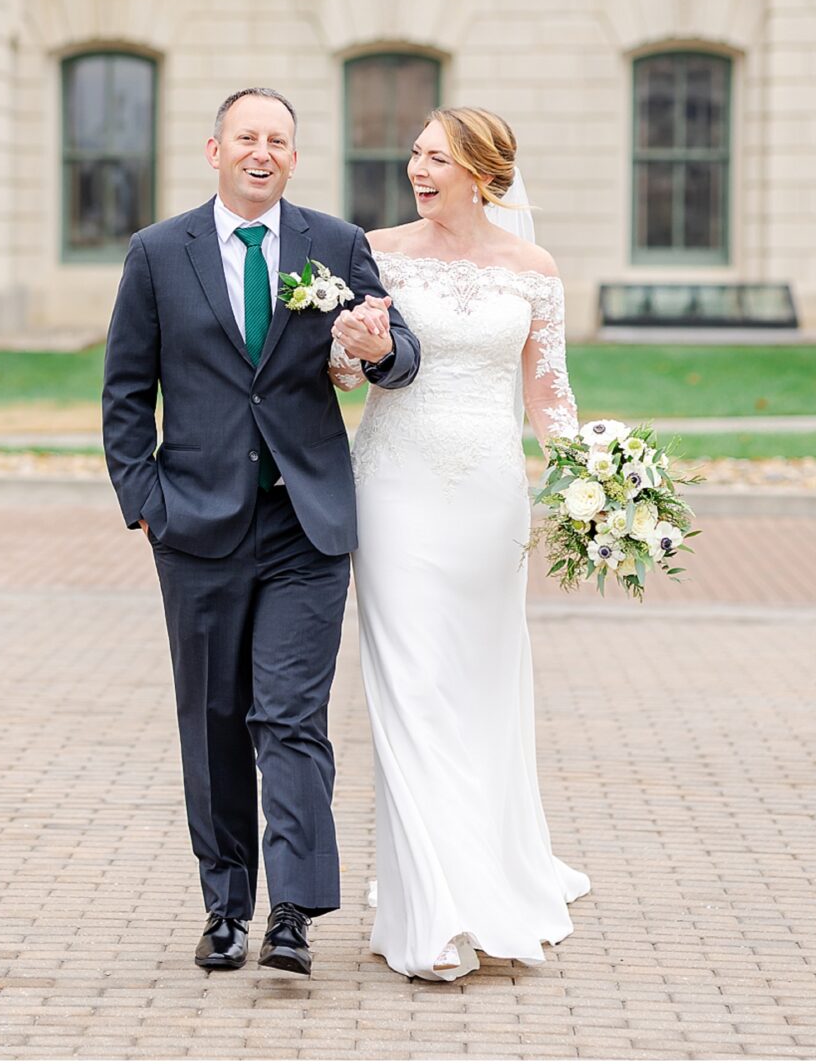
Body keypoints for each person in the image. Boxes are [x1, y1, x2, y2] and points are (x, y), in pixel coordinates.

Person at [102, 87, 421, 977]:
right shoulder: (159, 253)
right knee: (210, 721)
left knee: (288, 717)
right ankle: (226, 905)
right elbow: (126, 390)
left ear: (292, 155)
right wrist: (145, 500)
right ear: (214, 151)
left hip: (302, 523)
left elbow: (402, 354)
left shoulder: (334, 245)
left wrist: (373, 344)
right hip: (194, 525)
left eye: (278, 140)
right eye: (246, 137)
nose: (261, 152)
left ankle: (294, 913)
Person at [330, 106, 591, 983]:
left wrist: (599, 482)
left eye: (436, 156)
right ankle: (430, 912)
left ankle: (487, 870)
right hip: (394, 487)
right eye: (414, 153)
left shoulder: (534, 270)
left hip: (487, 496)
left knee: (476, 688)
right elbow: (340, 363)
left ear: (483, 171)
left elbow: (548, 396)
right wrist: (352, 349)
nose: (417, 167)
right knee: (408, 686)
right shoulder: (376, 249)